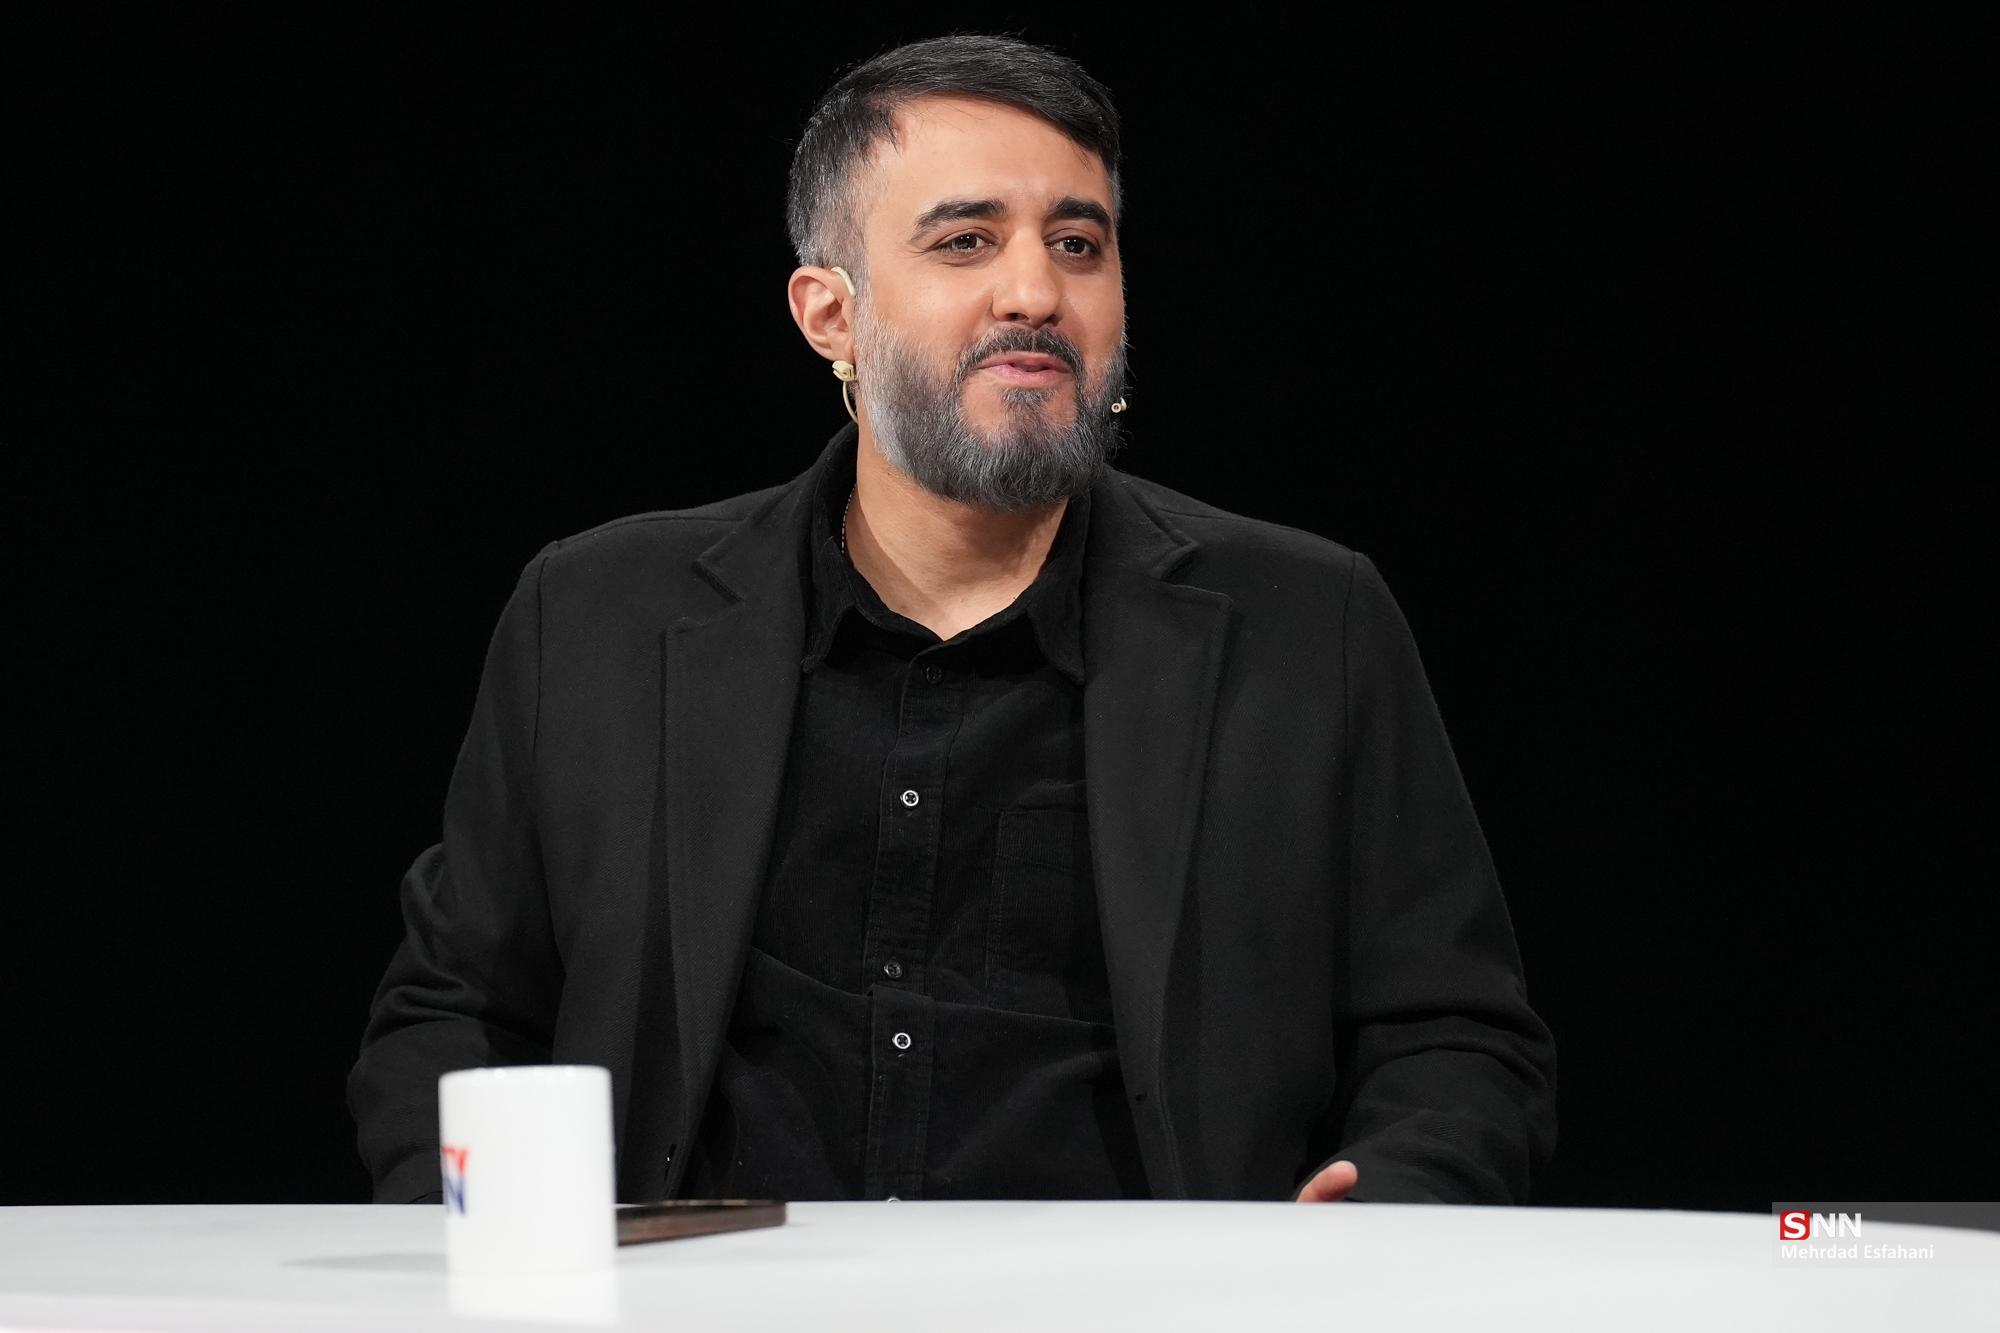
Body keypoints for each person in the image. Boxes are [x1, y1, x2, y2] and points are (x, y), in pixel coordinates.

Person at [347, 33, 1556, 1207]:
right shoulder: (596, 616)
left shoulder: (1306, 622)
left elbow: (1453, 1036)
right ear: (829, 315)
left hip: (1146, 1302)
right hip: (701, 1295)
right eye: (965, 240)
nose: (1033, 292)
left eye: (1077, 244)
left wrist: (1387, 1204)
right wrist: (491, 1242)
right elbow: (453, 1013)